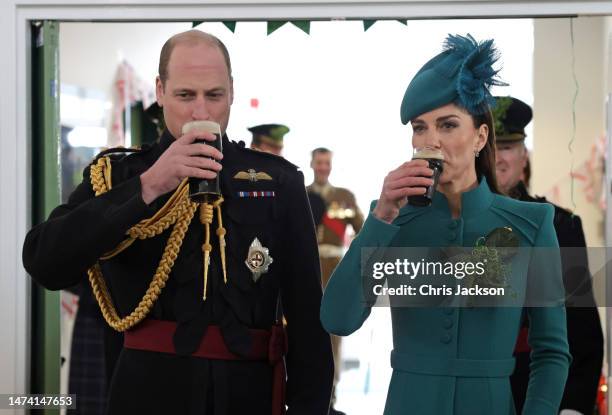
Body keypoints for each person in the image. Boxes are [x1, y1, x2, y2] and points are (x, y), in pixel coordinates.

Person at [23, 30, 333, 415]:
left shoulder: (279, 181)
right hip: (146, 395)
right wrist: (148, 185)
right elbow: (44, 262)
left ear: (232, 92)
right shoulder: (118, 175)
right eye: (186, 95)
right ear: (160, 90)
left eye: (214, 96)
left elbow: (307, 321)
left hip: (248, 396)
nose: (201, 113)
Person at [320, 34, 571, 415]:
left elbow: (552, 351)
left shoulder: (532, 223)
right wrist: (382, 217)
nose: (431, 141)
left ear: (479, 136)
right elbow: (337, 319)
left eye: (448, 125)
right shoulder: (392, 219)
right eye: (420, 128)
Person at [494, 96, 603, 415]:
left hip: (542, 393)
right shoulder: (454, 227)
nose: (499, 158)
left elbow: (582, 332)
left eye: (509, 147)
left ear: (524, 155)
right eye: (491, 148)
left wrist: (571, 408)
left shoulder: (560, 225)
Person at [306, 147, 363, 415]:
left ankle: (330, 397)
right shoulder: (300, 195)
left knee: (333, 337)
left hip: (334, 274)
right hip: (305, 271)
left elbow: (364, 233)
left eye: (327, 162)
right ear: (312, 164)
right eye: (319, 162)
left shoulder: (345, 197)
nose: (323, 167)